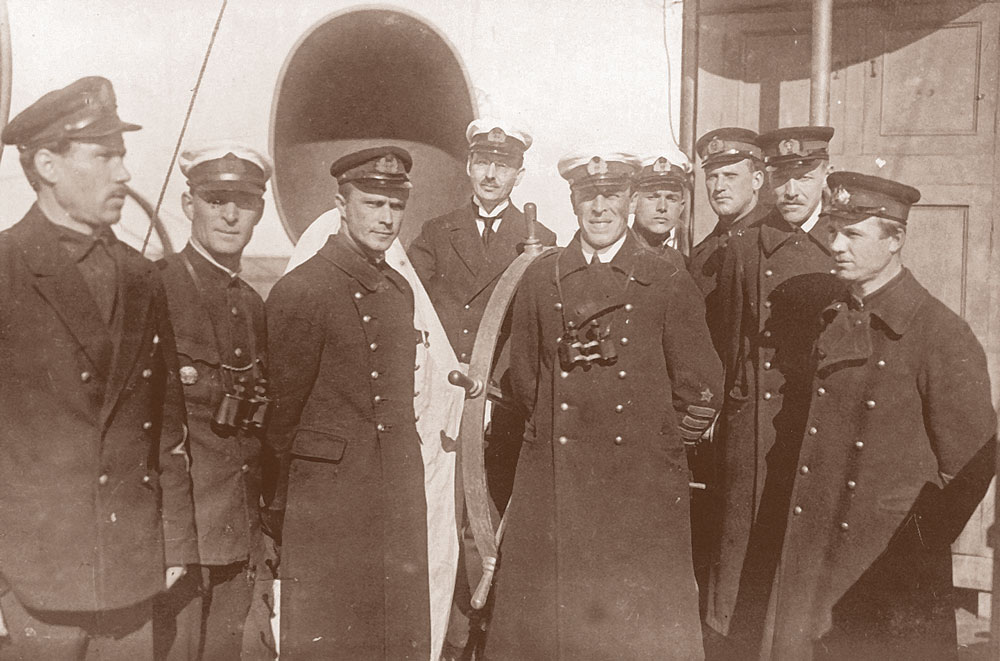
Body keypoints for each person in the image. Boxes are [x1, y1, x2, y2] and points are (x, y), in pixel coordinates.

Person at [484, 151, 723, 660]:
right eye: (588, 197)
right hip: (555, 477)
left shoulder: (665, 279)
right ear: (573, 203)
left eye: (611, 196)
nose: (599, 208)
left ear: (630, 201)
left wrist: (653, 448)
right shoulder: (541, 278)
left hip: (640, 487)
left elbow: (701, 388)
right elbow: (525, 380)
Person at [0, 76, 198, 659]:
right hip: (32, 578)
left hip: (133, 570)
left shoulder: (141, 275)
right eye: (104, 156)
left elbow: (168, 425)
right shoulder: (6, 268)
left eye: (123, 155)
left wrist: (176, 542)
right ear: (48, 164)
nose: (124, 174)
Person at [766, 172, 995, 660]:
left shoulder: (940, 334)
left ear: (896, 240)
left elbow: (970, 467)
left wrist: (913, 550)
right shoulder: (835, 315)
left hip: (885, 567)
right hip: (816, 550)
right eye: (833, 232)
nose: (836, 246)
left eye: (853, 234)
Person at [263, 146, 432, 659]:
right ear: (341, 204)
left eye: (396, 206)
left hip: (395, 497)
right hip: (327, 506)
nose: (386, 218)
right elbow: (280, 419)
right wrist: (276, 510)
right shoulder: (303, 290)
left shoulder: (399, 291)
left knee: (395, 636)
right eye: (372, 203)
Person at [408, 118, 557, 659]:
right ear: (470, 167)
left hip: (502, 409)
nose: (492, 174)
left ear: (519, 173)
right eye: (483, 162)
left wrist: (499, 393)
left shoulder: (541, 243)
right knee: (441, 524)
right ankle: (444, 643)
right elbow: (411, 305)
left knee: (488, 527)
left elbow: (536, 332)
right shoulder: (435, 233)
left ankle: (484, 641)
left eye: (503, 165)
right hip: (443, 407)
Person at [706, 126, 846, 657]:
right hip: (757, 426)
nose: (791, 191)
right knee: (744, 555)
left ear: (824, 176)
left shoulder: (845, 240)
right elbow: (732, 341)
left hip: (819, 421)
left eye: (803, 177)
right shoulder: (745, 246)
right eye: (783, 178)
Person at [154, 144, 272, 660]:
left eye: (244, 202)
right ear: (188, 204)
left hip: (236, 538)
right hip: (178, 544)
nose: (230, 216)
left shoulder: (251, 304)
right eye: (215, 200)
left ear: (259, 211)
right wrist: (171, 541)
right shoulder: (156, 290)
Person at [689, 128, 769, 301]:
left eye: (730, 176)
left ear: (756, 180)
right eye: (712, 177)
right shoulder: (701, 255)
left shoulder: (775, 241)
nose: (719, 187)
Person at [630, 148, 691, 263]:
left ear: (681, 207)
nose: (662, 207)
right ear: (633, 202)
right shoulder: (615, 255)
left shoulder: (680, 262)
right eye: (653, 197)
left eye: (671, 199)